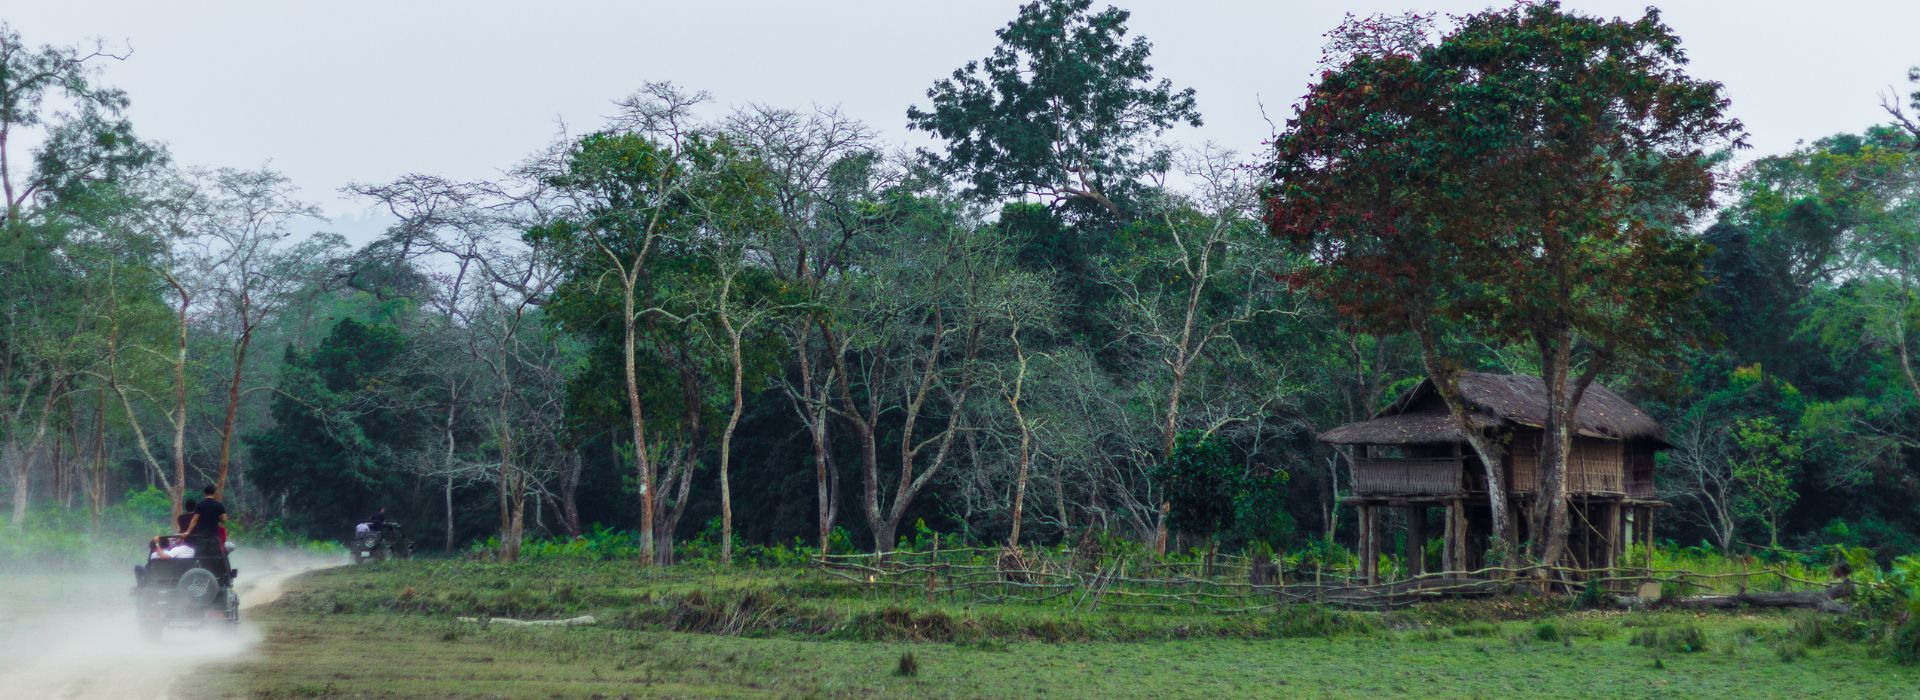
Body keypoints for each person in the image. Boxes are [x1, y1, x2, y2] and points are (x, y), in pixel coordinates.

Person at [178, 484, 227, 560]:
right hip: (214, 536)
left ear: (204, 493)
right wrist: (218, 518)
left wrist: (187, 532)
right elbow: (224, 519)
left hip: (201, 536)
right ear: (214, 493)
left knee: (199, 557)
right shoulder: (219, 505)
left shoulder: (200, 505)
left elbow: (195, 519)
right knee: (215, 557)